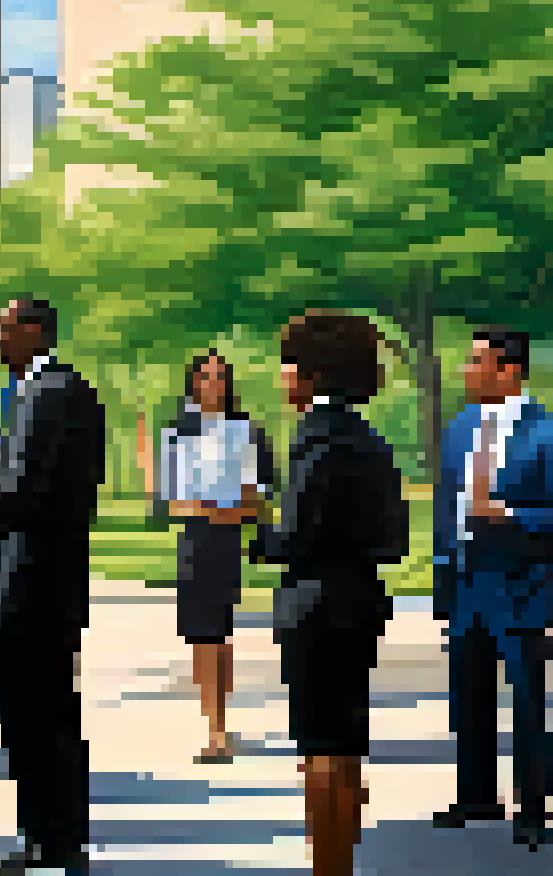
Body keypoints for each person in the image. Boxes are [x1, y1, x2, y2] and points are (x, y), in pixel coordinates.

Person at [254, 310, 408, 876]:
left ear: (311, 373)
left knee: (317, 750)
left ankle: (328, 866)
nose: (281, 379)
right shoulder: (371, 441)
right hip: (360, 601)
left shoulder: (313, 440)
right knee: (346, 746)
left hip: (314, 606)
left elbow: (292, 537)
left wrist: (255, 530)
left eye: (287, 366)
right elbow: (394, 538)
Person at [429, 328, 553, 850]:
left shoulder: (552, 436)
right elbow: (444, 505)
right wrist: (442, 569)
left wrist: (511, 514)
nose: (466, 371)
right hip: (466, 583)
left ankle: (533, 810)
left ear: (508, 369)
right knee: (467, 697)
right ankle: (476, 796)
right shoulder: (457, 430)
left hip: (520, 585)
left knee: (527, 702)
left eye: (476, 362)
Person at [0, 298, 106, 876]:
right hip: (49, 578)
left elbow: (25, 491)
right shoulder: (64, 389)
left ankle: (47, 839)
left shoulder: (43, 394)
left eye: (4, 329)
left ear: (33, 331)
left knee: (30, 714)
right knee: (51, 711)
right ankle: (60, 836)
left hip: (31, 579)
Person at [157, 348, 275, 764]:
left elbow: (261, 497)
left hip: (227, 541)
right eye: (204, 376)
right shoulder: (178, 433)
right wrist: (208, 508)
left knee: (219, 633)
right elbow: (169, 501)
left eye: (220, 376)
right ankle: (214, 724)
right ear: (192, 383)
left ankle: (219, 727)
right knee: (200, 635)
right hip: (194, 541)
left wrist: (234, 509)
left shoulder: (248, 433)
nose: (212, 383)